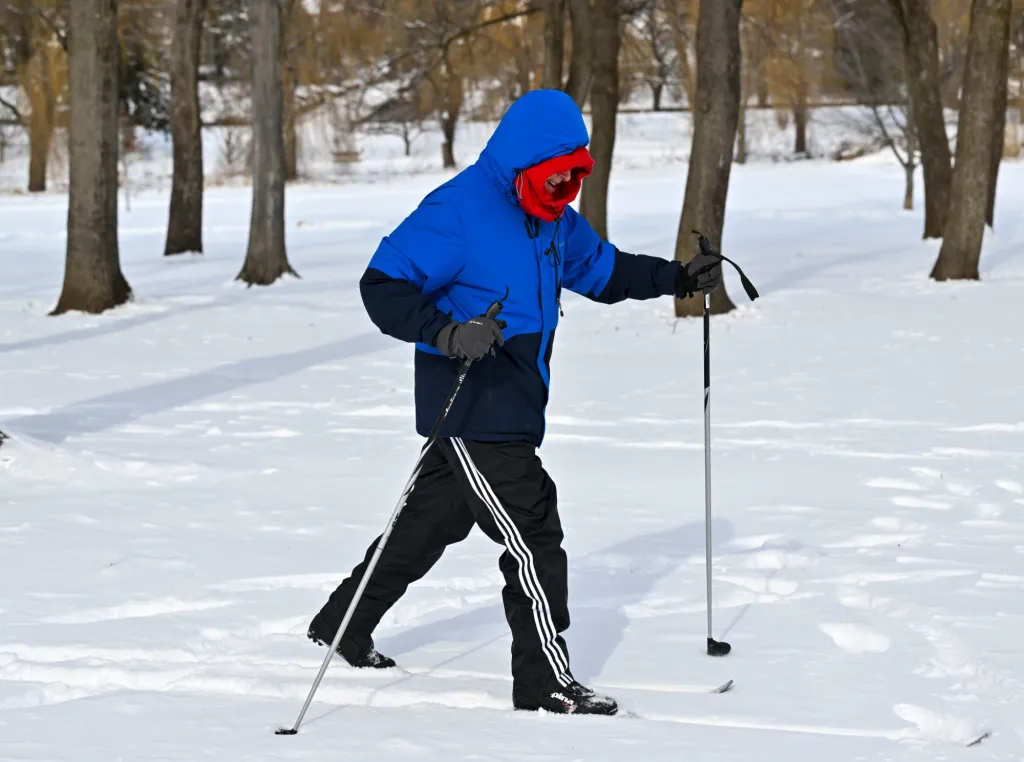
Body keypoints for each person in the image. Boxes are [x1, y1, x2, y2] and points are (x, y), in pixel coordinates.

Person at [308, 89, 722, 716]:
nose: (564, 187)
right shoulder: (459, 209)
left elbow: (604, 272)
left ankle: (340, 623)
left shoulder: (553, 220)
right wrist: (449, 332)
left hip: (515, 399)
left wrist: (677, 277)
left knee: (426, 526)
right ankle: (544, 682)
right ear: (522, 161)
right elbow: (381, 286)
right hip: (476, 403)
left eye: (575, 175)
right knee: (533, 534)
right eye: (554, 174)